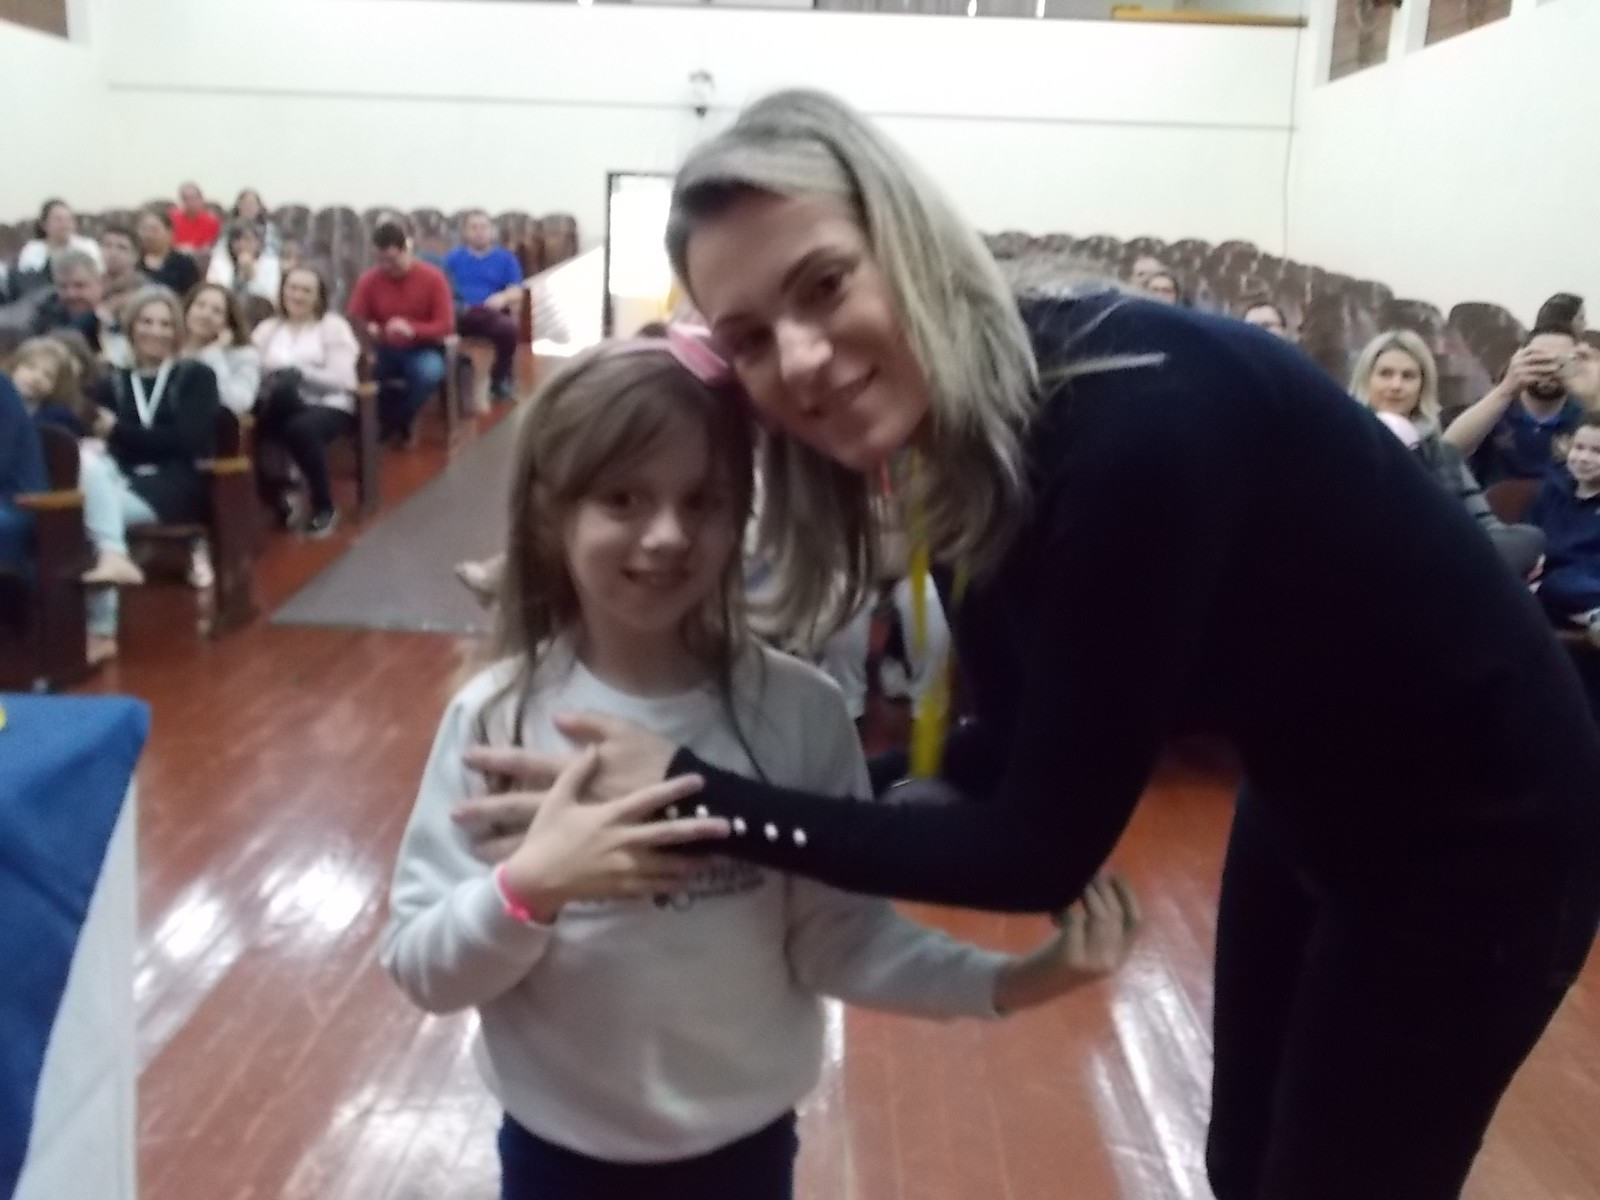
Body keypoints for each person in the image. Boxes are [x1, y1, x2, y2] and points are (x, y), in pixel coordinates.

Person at [459, 91, 1600, 1200]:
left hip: (1486, 828)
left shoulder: (1124, 432)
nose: (799, 359)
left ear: (907, 245)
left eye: (824, 284)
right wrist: (726, 767)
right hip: (1313, 789)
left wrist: (692, 798)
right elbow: (1001, 752)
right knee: (1243, 1168)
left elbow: (1034, 853)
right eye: (750, 338)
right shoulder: (973, 424)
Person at [379, 335, 1138, 1200]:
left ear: (741, 509)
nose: (667, 535)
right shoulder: (496, 718)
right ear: (553, 515)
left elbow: (842, 940)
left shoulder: (799, 713)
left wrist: (1018, 980)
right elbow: (421, 965)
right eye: (622, 498)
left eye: (702, 501)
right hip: (555, 1156)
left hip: (744, 1156)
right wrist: (529, 891)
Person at [1351, 330, 1545, 579]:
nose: (1396, 386)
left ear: (1422, 386)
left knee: (1529, 539)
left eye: (1408, 376)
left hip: (1442, 560)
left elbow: (1486, 526)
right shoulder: (1342, 441)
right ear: (1366, 379)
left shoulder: (1442, 454)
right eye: (1385, 374)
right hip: (1367, 563)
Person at [88, 286, 221, 620]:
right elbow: (95, 434)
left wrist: (118, 431)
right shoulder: (112, 381)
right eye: (146, 322)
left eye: (165, 324)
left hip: (177, 483)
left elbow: (184, 443)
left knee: (97, 515)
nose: (155, 331)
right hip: (120, 477)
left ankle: (102, 623)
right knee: (86, 498)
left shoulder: (196, 376)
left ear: (178, 330)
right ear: (131, 326)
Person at [251, 267, 361, 537]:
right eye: (292, 288)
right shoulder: (268, 329)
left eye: (306, 291)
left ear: (318, 297)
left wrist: (302, 373)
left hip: (328, 403)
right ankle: (273, 493)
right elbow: (252, 367)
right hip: (278, 402)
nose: (298, 296)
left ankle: (324, 506)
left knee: (300, 427)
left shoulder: (333, 327)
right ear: (282, 291)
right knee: (261, 415)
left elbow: (343, 380)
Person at [347, 220, 454, 444]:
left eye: (392, 260)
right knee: (357, 370)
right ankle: (368, 422)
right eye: (380, 260)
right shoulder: (370, 279)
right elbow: (355, 317)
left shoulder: (433, 278)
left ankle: (395, 421)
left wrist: (412, 330)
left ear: (406, 251)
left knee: (427, 373)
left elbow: (446, 325)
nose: (386, 266)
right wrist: (368, 327)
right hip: (383, 347)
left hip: (422, 348)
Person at [1443, 323, 1586, 484]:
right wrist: (1506, 388)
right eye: (1538, 361)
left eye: (1561, 362)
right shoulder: (1494, 408)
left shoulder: (1584, 415)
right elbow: (1448, 452)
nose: (1548, 370)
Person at [445, 210, 523, 401]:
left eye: (483, 227)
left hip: (490, 315)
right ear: (465, 232)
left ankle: (499, 380)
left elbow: (517, 290)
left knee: (508, 329)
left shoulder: (506, 258)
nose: (479, 232)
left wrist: (502, 297)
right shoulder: (453, 258)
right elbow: (439, 285)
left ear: (491, 231)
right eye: (474, 227)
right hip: (460, 314)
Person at [181, 283, 261, 417]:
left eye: (216, 311)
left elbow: (237, 404)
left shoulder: (245, 355)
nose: (206, 314)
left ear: (228, 321)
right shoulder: (171, 347)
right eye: (200, 306)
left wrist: (213, 354)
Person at [15, 198, 103, 276]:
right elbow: (24, 279)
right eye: (58, 220)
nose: (64, 224)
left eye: (68, 219)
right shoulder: (32, 249)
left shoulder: (87, 247)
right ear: (44, 224)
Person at [206, 222, 280, 305]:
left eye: (247, 239)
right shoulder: (219, 262)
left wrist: (250, 273)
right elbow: (212, 290)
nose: (242, 244)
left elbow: (270, 297)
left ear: (258, 243)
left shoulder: (270, 264)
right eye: (237, 240)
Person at [135, 208, 201, 297]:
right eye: (144, 230)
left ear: (170, 233)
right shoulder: (133, 261)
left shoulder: (184, 263)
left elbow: (192, 295)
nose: (148, 235)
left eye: (154, 230)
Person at [98, 224, 146, 308]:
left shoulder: (144, 291)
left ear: (135, 256)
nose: (113, 253)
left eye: (122, 248)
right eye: (107, 246)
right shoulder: (90, 286)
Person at [170, 182, 222, 253]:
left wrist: (192, 250)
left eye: (193, 198)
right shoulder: (172, 218)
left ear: (201, 199)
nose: (189, 202)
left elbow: (209, 247)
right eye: (185, 199)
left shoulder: (212, 221)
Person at [230, 188, 282, 255]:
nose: (248, 207)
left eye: (252, 204)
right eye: (245, 204)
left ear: (259, 207)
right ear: (238, 206)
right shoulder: (229, 228)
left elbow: (272, 253)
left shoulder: (269, 229)